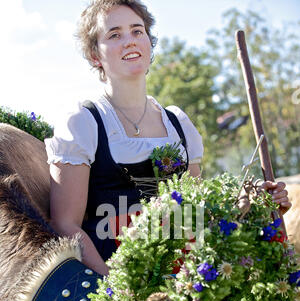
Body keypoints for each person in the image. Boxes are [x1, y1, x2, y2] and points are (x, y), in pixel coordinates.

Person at [45, 0, 291, 277]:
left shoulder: (178, 124)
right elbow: (65, 225)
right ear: (95, 55)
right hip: (113, 287)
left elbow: (198, 215)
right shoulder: (83, 122)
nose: (130, 41)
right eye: (115, 35)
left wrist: (249, 204)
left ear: (150, 43)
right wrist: (115, 295)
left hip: (186, 286)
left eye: (138, 31)